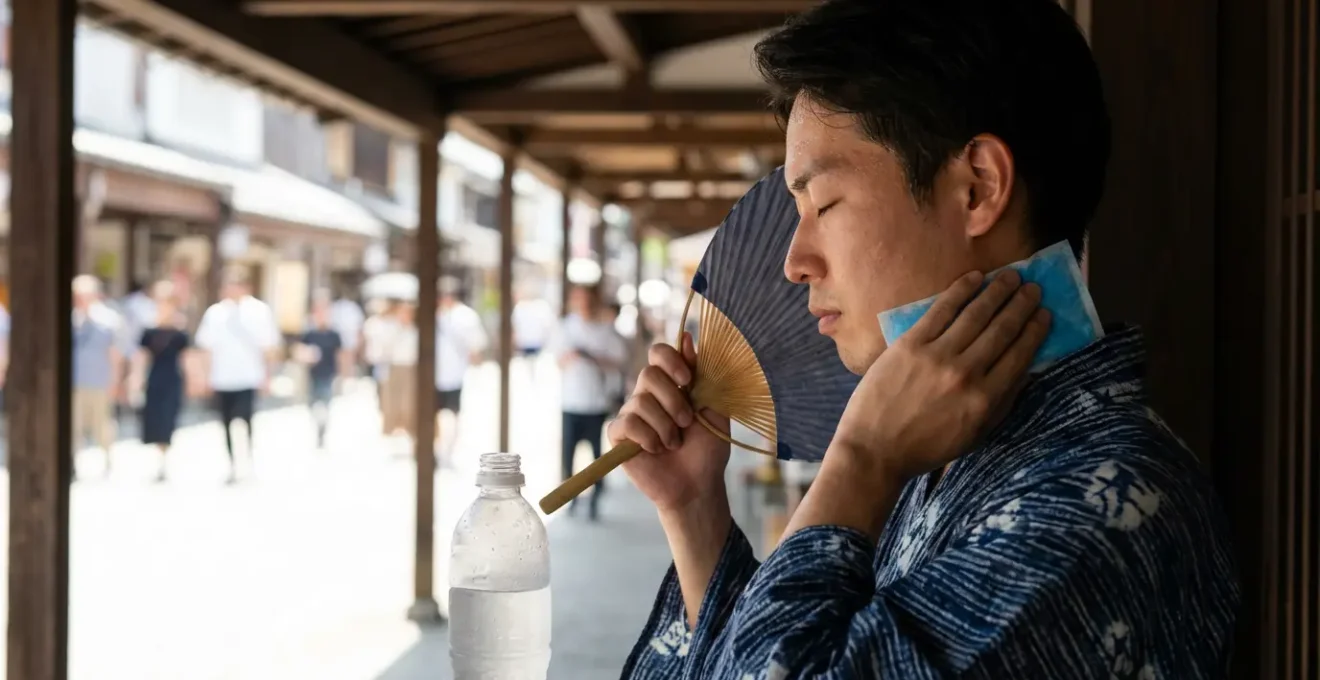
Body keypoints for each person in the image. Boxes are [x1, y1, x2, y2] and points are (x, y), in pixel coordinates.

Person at [615, 1, 1238, 677]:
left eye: (822, 204)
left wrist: (859, 462)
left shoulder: (1102, 507)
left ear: (977, 188)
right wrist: (694, 511)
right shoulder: (957, 440)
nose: (794, 260)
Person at [196, 269, 281, 484]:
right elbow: (205, 348)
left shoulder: (259, 311)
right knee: (225, 423)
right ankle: (232, 464)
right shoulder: (215, 313)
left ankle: (249, 462)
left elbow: (269, 347)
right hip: (222, 378)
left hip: (249, 377)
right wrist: (205, 376)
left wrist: (268, 376)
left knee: (247, 421)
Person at [556, 284, 627, 520]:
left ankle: (595, 497)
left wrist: (593, 358)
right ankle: (572, 497)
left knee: (597, 456)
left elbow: (618, 360)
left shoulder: (605, 330)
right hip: (571, 402)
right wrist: (573, 356)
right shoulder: (567, 327)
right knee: (569, 456)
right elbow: (558, 359)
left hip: (596, 403)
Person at [132, 281, 191, 483]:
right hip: (155, 380)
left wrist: (194, 382)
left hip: (172, 380)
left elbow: (187, 359)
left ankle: (165, 460)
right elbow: (141, 358)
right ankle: (159, 460)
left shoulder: (180, 333)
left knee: (168, 420)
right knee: (155, 420)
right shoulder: (149, 332)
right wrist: (135, 380)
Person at [71, 275, 123, 477]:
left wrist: (115, 380)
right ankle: (73, 462)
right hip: (75, 381)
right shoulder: (71, 318)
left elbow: (115, 354)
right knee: (74, 425)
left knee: (102, 425)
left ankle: (107, 460)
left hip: (100, 380)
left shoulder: (108, 319)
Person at [435, 277, 487, 466]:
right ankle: (439, 448)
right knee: (437, 416)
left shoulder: (465, 316)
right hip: (435, 374)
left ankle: (448, 450)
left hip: (455, 374)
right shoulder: (436, 315)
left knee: (453, 415)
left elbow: (476, 347)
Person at [296, 302, 347, 449]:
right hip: (312, 375)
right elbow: (299, 351)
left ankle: (322, 431)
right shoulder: (309, 334)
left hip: (329, 374)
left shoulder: (334, 334)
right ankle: (317, 426)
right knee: (312, 404)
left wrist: (344, 375)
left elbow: (341, 355)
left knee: (326, 404)